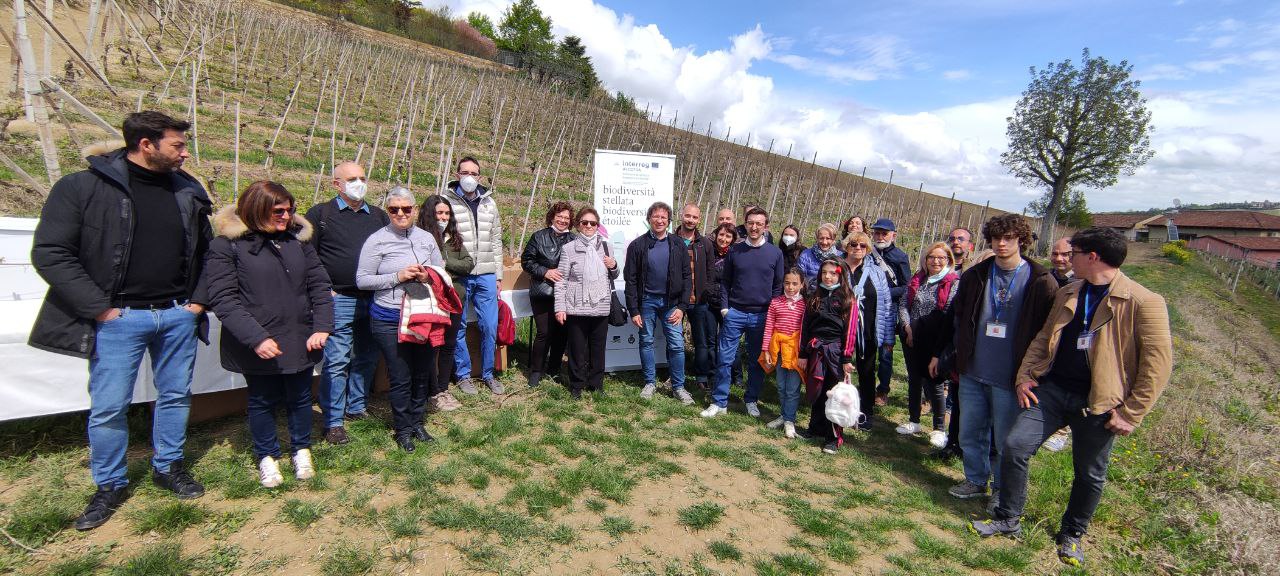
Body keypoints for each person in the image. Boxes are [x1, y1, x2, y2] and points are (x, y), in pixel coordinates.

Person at [30, 111, 211, 530]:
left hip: (176, 313)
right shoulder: (82, 188)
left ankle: (169, 466)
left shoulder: (187, 190)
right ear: (145, 145)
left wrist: (197, 304)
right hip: (118, 318)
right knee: (109, 407)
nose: (185, 153)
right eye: (177, 145)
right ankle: (109, 484)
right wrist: (101, 310)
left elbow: (207, 252)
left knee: (175, 396)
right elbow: (51, 252)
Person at [972, 227, 1172, 568]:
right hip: (1052, 391)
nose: (1067, 257)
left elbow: (1158, 364)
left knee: (1089, 472)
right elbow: (1043, 338)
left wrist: (1131, 413)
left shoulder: (1143, 301)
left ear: (1092, 257)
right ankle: (1009, 516)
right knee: (1016, 446)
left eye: (1074, 252)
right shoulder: (1070, 291)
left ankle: (1072, 534)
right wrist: (1025, 376)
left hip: (1099, 402)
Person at [207, 181, 332, 488]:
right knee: (262, 400)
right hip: (260, 340)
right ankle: (267, 456)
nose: (286, 217)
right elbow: (225, 299)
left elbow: (319, 285)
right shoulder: (228, 246)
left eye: (289, 211)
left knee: (301, 397)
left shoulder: (298, 242)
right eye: (279, 211)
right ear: (256, 209)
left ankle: (301, 449)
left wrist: (322, 326)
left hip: (299, 335)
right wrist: (256, 338)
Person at [947, 214, 1058, 512]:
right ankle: (975, 479)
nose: (1001, 243)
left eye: (1008, 238)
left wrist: (1033, 372)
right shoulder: (976, 275)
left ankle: (1001, 488)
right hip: (973, 369)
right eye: (996, 238)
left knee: (1005, 439)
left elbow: (1048, 331)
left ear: (1021, 239)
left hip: (1011, 376)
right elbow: (959, 316)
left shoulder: (1040, 280)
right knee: (970, 431)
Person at [305, 161, 388, 445]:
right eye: (352, 178)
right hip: (338, 299)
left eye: (363, 178)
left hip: (373, 298)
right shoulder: (320, 215)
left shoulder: (378, 216)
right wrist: (323, 290)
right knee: (337, 360)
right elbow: (308, 256)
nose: (359, 183)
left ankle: (357, 406)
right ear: (336, 184)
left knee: (366, 356)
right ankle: (333, 421)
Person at [356, 187, 444, 452]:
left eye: (406, 209)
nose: (401, 214)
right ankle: (403, 428)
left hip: (422, 315)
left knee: (421, 371)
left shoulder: (427, 238)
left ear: (415, 210)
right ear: (388, 212)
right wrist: (398, 276)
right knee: (400, 374)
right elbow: (362, 280)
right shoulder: (377, 240)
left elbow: (440, 271)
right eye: (394, 209)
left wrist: (428, 276)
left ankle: (417, 422)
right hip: (389, 317)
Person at [701, 207, 785, 418]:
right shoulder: (735, 251)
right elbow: (726, 282)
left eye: (759, 223)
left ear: (766, 226)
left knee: (757, 360)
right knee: (725, 359)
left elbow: (778, 287)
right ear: (745, 224)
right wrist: (725, 308)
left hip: (762, 316)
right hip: (735, 313)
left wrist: (772, 314)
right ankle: (719, 402)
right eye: (751, 223)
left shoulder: (775, 253)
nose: (754, 227)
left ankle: (751, 400)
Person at [445, 156, 505, 395]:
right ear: (457, 174)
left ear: (479, 176)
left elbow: (496, 241)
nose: (469, 177)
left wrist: (498, 274)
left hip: (487, 273)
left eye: (474, 173)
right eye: (465, 172)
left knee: (489, 325)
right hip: (460, 273)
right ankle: (463, 375)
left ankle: (488, 373)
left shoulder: (490, 203)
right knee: (457, 325)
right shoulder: (447, 201)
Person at [624, 202, 694, 404]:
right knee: (646, 341)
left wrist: (682, 307)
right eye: (656, 217)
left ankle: (678, 387)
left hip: (672, 303)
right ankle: (649, 383)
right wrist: (634, 309)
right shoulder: (637, 245)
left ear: (669, 221)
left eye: (664, 217)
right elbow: (631, 279)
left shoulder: (678, 244)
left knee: (677, 345)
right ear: (649, 219)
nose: (660, 220)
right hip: (646, 302)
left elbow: (686, 278)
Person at [896, 242, 959, 448]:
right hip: (911, 337)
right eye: (932, 257)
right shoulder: (918, 278)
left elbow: (948, 312)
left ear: (948, 260)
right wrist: (907, 326)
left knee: (935, 383)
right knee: (914, 380)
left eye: (941, 257)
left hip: (936, 339)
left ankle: (939, 429)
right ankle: (914, 420)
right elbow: (904, 303)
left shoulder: (952, 282)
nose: (936, 261)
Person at [554, 207, 620, 398]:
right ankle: (577, 385)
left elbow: (614, 275)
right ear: (578, 225)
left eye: (593, 223)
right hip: (577, 306)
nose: (589, 226)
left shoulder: (606, 247)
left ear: (597, 226)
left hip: (600, 306)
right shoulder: (568, 249)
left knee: (598, 349)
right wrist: (560, 307)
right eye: (585, 222)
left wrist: (613, 265)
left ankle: (596, 384)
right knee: (577, 350)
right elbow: (562, 280)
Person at [417, 194, 474, 412]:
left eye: (447, 213)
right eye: (439, 213)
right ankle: (431, 391)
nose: (443, 217)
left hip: (455, 299)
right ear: (430, 214)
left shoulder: (454, 238)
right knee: (433, 345)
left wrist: (445, 263)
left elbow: (468, 263)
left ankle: (443, 388)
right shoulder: (422, 237)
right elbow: (425, 268)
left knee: (449, 345)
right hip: (432, 300)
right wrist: (440, 267)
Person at [838, 231, 894, 430]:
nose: (858, 248)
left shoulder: (877, 272)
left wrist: (887, 335)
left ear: (868, 248)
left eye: (862, 245)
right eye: (853, 244)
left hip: (867, 329)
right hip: (839, 330)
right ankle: (837, 410)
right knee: (837, 370)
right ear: (846, 246)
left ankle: (865, 412)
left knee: (867, 372)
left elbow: (887, 304)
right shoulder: (836, 268)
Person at [799, 259, 855, 453]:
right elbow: (805, 327)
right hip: (816, 349)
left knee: (835, 395)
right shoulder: (814, 296)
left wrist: (847, 358)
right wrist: (803, 353)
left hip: (836, 352)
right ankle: (815, 428)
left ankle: (833, 437)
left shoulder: (848, 299)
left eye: (833, 273)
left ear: (840, 275)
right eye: (824, 273)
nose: (828, 277)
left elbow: (850, 330)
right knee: (817, 390)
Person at [521, 202, 574, 388]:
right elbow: (526, 261)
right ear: (552, 217)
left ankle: (554, 369)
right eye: (560, 216)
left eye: (567, 218)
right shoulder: (539, 236)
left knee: (561, 333)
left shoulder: (574, 240)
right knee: (544, 332)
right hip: (543, 291)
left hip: (566, 294)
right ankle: (536, 371)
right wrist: (545, 271)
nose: (563, 220)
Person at [675, 203, 717, 390]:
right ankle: (675, 373)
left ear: (699, 220)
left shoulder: (705, 243)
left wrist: (705, 292)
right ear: (681, 216)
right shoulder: (671, 239)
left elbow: (710, 272)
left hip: (698, 301)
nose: (690, 220)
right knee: (674, 340)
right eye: (688, 216)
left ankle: (701, 377)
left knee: (700, 341)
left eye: (694, 217)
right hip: (676, 301)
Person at [760, 268, 807, 439]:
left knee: (793, 388)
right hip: (778, 350)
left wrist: (805, 354)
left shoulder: (806, 305)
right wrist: (766, 350)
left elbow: (806, 330)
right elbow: (769, 327)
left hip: (795, 352)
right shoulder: (776, 302)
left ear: (802, 284)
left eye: (795, 283)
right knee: (781, 385)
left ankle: (789, 420)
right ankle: (783, 415)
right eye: (787, 283)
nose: (790, 287)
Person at [1041, 236, 1077, 453]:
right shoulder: (1047, 277)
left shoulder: (1080, 282)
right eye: (1055, 254)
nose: (1059, 259)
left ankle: (1061, 431)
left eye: (1065, 254)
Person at [870, 218, 910, 408]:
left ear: (893, 235)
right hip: (868, 307)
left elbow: (906, 286)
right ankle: (865, 385)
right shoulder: (868, 252)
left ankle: (883, 389)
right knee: (866, 348)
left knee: (885, 351)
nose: (880, 237)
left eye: (884, 233)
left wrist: (884, 293)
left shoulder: (900, 257)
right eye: (877, 233)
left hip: (888, 308)